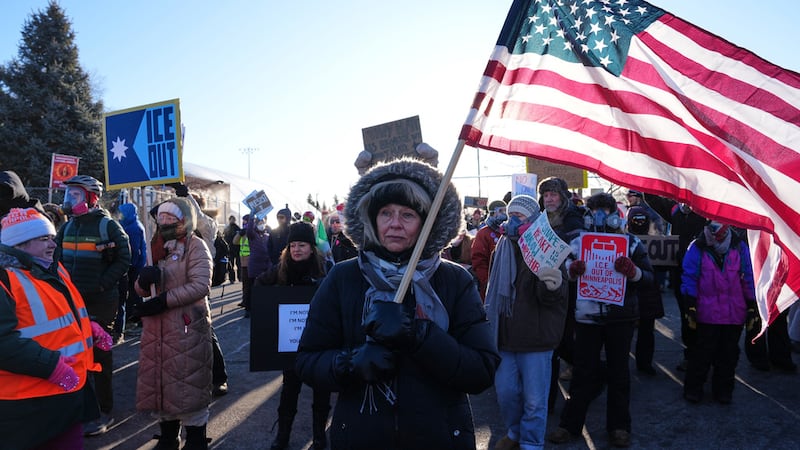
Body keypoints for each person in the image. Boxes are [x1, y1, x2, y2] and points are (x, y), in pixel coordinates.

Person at [296, 158, 500, 449]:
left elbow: (482, 369)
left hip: (440, 438)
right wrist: (350, 363)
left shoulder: (454, 279)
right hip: (360, 437)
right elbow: (307, 361)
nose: (394, 224)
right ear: (371, 218)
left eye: (407, 214)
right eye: (386, 213)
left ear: (426, 222)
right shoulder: (344, 277)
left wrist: (421, 335)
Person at [547, 192, 654, 448]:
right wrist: (572, 272)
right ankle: (569, 425)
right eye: (595, 210)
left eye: (605, 210)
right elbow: (557, 272)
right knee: (584, 372)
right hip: (587, 318)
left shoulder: (630, 243)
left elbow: (650, 277)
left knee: (619, 373)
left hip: (621, 317)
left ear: (614, 213)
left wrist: (634, 272)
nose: (600, 215)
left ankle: (619, 426)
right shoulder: (576, 241)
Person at [0, 207, 112, 449]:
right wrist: (51, 367)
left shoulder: (53, 268)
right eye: (44, 239)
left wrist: (88, 325)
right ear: (19, 244)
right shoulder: (5, 279)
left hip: (65, 395)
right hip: (27, 405)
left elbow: (59, 312)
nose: (53, 244)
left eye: (52, 237)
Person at [485, 195, 569, 450]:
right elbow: (493, 290)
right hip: (505, 336)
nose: (512, 221)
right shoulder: (501, 247)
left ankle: (531, 443)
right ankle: (514, 432)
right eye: (510, 215)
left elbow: (555, 297)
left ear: (533, 219)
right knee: (506, 393)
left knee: (534, 400)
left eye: (519, 216)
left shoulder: (546, 247)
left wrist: (552, 287)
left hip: (536, 337)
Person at [130, 197, 214, 449]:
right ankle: (168, 435)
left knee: (187, 382)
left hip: (185, 326)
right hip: (156, 329)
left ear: (184, 221)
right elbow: (143, 290)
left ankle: (196, 437)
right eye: (162, 218)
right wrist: (142, 282)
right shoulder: (155, 246)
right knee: (161, 383)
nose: (164, 223)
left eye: (171, 218)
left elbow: (201, 285)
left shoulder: (196, 246)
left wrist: (165, 300)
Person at [54, 174, 131, 437]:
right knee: (73, 354)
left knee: (99, 357)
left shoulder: (108, 226)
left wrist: (102, 284)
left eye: (75, 195)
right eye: (69, 194)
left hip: (101, 301)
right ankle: (80, 408)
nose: (69, 200)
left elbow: (124, 259)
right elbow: (55, 260)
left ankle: (103, 411)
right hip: (72, 302)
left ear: (91, 198)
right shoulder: (67, 227)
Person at [258, 221, 329, 450]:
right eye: (293, 245)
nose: (297, 249)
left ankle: (319, 436)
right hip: (291, 344)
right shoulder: (281, 269)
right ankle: (283, 435)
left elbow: (337, 297)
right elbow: (259, 286)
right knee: (289, 390)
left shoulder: (324, 269)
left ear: (311, 248)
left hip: (319, 343)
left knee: (321, 390)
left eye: (302, 245)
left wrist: (318, 286)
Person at [680, 220, 756, 404]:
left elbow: (748, 277)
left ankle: (723, 390)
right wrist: (690, 304)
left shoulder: (739, 247)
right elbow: (689, 276)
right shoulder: (697, 247)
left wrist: (752, 305)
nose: (717, 232)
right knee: (702, 353)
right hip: (707, 312)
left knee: (728, 355)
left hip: (733, 313)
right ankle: (694, 388)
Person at [536, 176, 586, 410]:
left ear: (563, 196)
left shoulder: (572, 217)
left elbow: (579, 249)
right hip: (545, 285)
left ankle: (589, 373)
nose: (549, 199)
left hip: (567, 286)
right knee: (553, 342)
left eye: (553, 194)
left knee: (560, 340)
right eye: (545, 195)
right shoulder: (541, 218)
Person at [643, 194, 707, 371]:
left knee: (706, 317)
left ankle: (708, 357)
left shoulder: (705, 208)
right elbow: (652, 198)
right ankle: (691, 356)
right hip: (681, 274)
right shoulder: (675, 209)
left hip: (705, 273)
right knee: (688, 316)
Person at [626, 206, 665, 375]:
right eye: (637, 220)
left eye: (642, 220)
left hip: (645, 293)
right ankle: (637, 364)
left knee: (646, 333)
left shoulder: (659, 243)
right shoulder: (623, 241)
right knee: (633, 333)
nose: (640, 223)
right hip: (632, 294)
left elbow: (664, 270)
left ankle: (644, 363)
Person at [114, 202, 147, 345]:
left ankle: (137, 321)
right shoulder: (132, 224)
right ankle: (137, 320)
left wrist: (129, 265)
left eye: (122, 213)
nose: (120, 215)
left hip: (134, 265)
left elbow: (133, 250)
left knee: (134, 294)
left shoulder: (133, 227)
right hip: (135, 264)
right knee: (134, 293)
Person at [471, 199, 507, 301]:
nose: (504, 214)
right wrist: (487, 282)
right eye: (501, 211)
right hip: (490, 285)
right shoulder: (484, 233)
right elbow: (478, 260)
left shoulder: (507, 230)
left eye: (505, 211)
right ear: (492, 213)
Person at [234, 214, 251, 316]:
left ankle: (249, 304)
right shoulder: (243, 232)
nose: (243, 223)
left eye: (245, 221)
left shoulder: (253, 232)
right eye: (243, 221)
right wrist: (240, 233)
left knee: (249, 285)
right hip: (243, 262)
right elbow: (235, 242)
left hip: (251, 262)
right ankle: (245, 301)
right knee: (245, 284)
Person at [223, 215, 241, 283]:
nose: (232, 221)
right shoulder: (227, 229)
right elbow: (224, 238)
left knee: (238, 264)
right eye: (231, 219)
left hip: (237, 249)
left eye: (233, 219)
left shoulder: (237, 228)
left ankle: (240, 277)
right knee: (231, 265)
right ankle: (232, 279)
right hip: (230, 249)